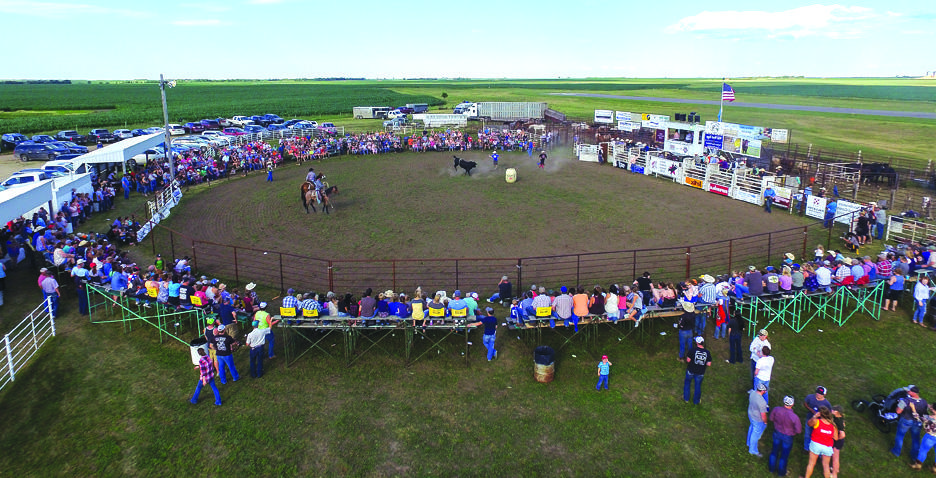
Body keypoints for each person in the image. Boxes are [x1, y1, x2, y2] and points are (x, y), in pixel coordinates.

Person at [768, 395, 802, 477]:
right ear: (792, 404)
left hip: (777, 433)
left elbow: (771, 419)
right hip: (788, 437)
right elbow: (798, 430)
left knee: (774, 452)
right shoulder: (794, 417)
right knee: (784, 456)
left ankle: (771, 469)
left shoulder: (776, 409)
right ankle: (781, 473)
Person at [892, 385, 929, 458]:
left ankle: (896, 452)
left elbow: (898, 411)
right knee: (916, 439)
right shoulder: (924, 402)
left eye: (908, 391)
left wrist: (899, 404)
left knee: (900, 436)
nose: (907, 392)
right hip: (918, 422)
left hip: (906, 420)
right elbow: (924, 413)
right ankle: (914, 456)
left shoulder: (906, 400)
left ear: (913, 392)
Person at [803, 407, 837, 478]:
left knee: (811, 463)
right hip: (827, 447)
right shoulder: (833, 425)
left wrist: (814, 416)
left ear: (820, 414)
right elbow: (836, 438)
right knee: (826, 466)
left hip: (816, 444)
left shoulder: (817, 421)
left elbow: (809, 423)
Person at [683, 336, 712, 405]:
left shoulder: (692, 350)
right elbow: (709, 364)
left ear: (697, 343)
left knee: (687, 383)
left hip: (691, 370)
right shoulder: (707, 352)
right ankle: (696, 401)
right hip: (700, 372)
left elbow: (688, 360)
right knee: (698, 386)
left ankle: (686, 398)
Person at [803, 386, 832, 451]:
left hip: (819, 422)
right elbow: (805, 403)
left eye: (820, 394)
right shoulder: (810, 397)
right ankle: (806, 448)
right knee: (807, 434)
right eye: (817, 393)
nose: (818, 394)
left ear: (824, 394)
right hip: (810, 418)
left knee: (817, 436)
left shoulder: (826, 404)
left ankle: (815, 450)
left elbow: (829, 414)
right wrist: (810, 409)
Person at [911, 404, 936, 472]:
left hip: (929, 437)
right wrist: (930, 407)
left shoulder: (929, 418)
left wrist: (913, 408)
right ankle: (935, 469)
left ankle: (918, 465)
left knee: (923, 451)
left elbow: (917, 418)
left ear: (933, 410)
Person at [748, 383, 769, 457]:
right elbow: (763, 415)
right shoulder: (762, 402)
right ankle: (752, 450)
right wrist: (765, 422)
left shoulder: (752, 393)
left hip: (751, 414)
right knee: (756, 434)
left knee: (751, 427)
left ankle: (749, 442)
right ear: (763, 391)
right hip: (757, 418)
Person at [830, 405, 846, 478]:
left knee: (835, 458)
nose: (831, 411)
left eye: (833, 410)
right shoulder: (839, 418)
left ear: (836, 412)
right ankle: (836, 469)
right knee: (836, 456)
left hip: (838, 441)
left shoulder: (838, 421)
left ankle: (834, 474)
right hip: (838, 440)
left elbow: (842, 434)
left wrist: (837, 439)